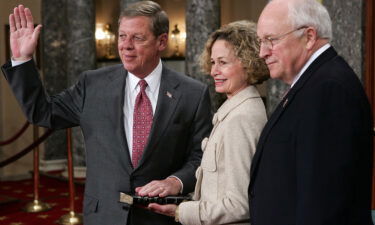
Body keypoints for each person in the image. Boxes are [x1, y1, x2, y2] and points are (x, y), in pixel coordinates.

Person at [2, 2, 212, 225]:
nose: (126, 46)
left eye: (137, 38)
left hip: (161, 217)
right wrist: (23, 60)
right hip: (104, 215)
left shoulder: (193, 94)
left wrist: (176, 181)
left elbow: (201, 157)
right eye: (122, 36)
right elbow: (41, 112)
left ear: (162, 41)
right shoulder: (92, 84)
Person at [249, 0, 374, 225]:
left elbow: (323, 201)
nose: (262, 52)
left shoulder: (329, 89)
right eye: (261, 41)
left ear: (308, 37)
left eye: (271, 40)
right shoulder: (313, 83)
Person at [147, 20, 269, 225]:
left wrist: (180, 211)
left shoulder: (241, 119)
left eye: (223, 62)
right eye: (213, 62)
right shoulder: (235, 111)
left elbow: (239, 205)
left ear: (249, 62)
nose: (213, 71)